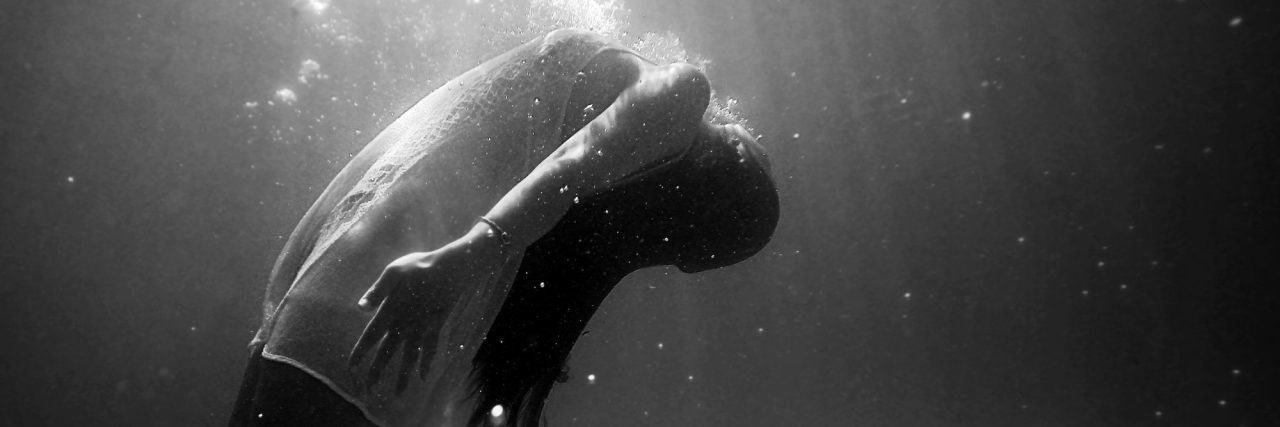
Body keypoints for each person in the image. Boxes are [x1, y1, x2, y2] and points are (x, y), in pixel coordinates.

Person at [230, 29, 778, 427]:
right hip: (404, 290)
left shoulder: (683, 94)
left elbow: (568, 168)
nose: (758, 143)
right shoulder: (606, 176)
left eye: (762, 163)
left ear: (725, 178)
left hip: (388, 266)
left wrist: (463, 255)